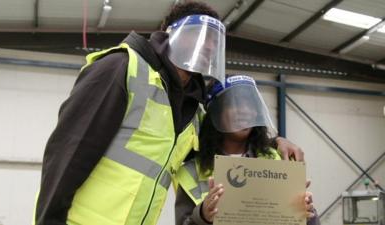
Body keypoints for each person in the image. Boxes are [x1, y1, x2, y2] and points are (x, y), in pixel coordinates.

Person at [34, 2, 305, 225]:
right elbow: (67, 151)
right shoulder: (122, 68)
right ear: (168, 34)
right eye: (197, 34)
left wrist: (276, 141)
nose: (207, 45)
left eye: (213, 40)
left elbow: (226, 130)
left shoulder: (192, 108)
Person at [174, 75, 320, 225]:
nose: (245, 111)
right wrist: (202, 216)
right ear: (215, 113)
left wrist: (307, 215)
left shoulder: (279, 159)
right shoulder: (192, 172)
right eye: (234, 104)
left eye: (250, 105)